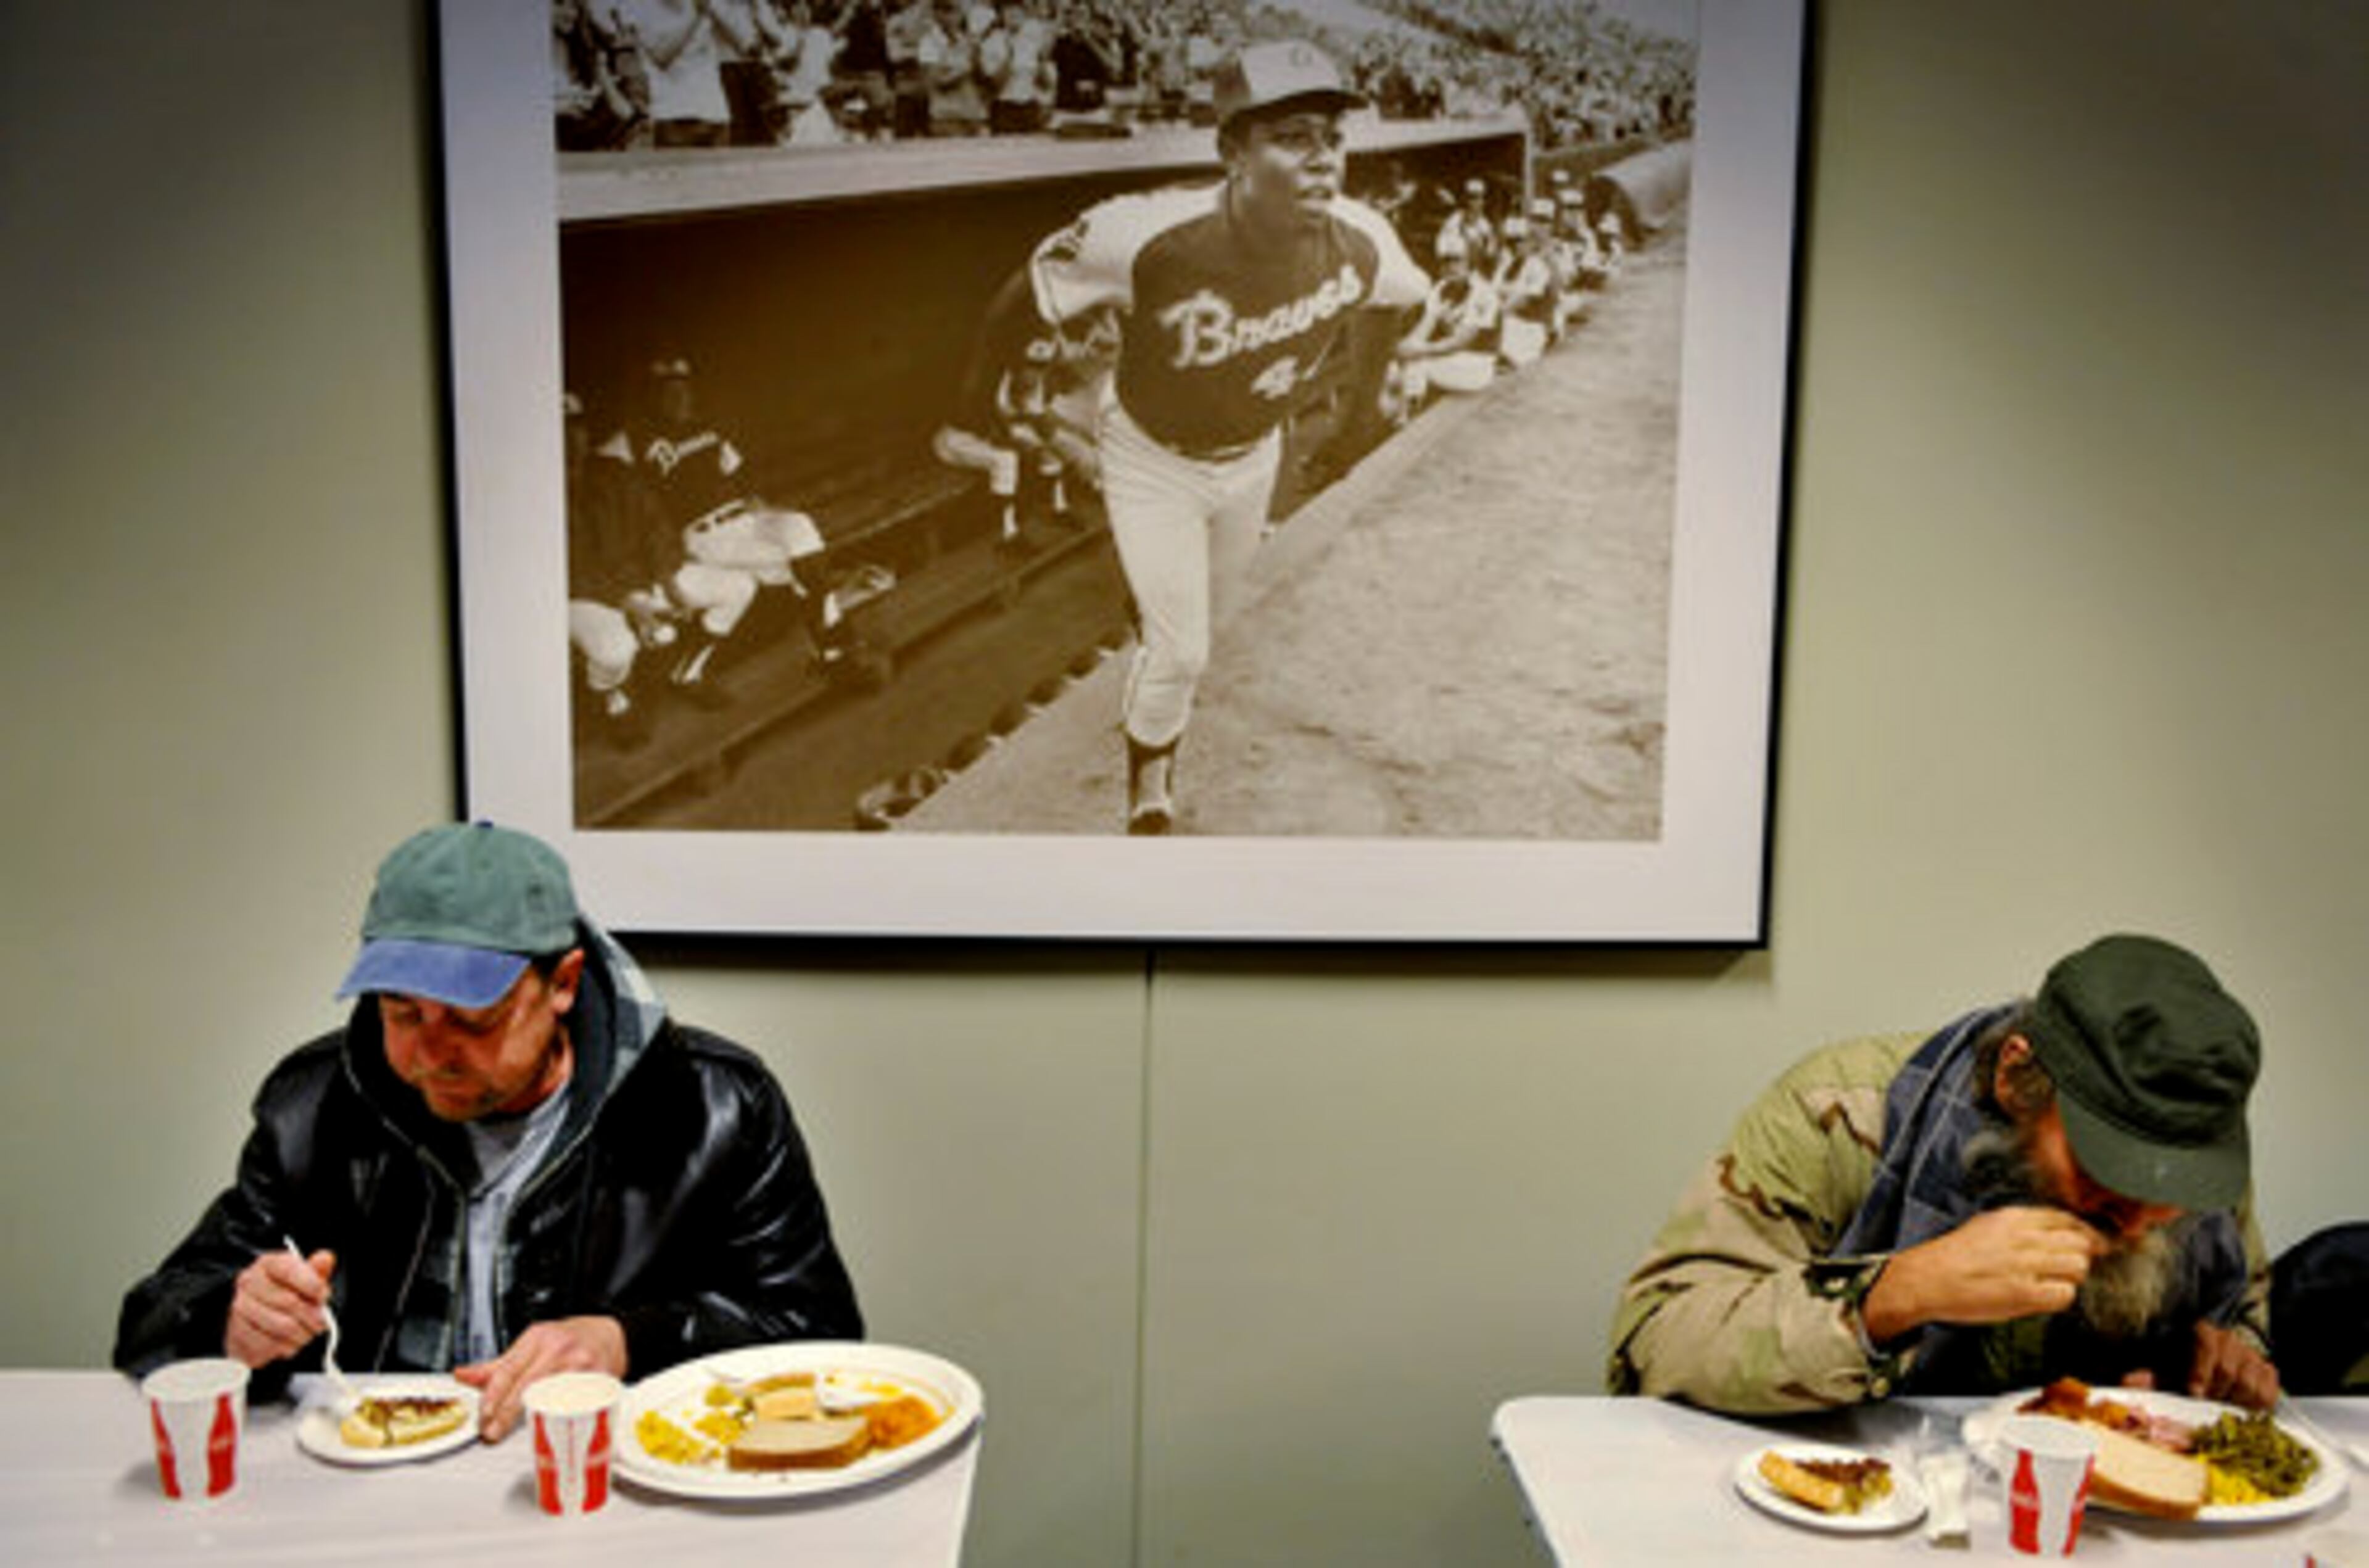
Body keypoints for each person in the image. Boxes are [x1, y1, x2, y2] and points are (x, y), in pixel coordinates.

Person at [115, 823, 863, 1442]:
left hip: (605, 1497)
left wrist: (626, 1338)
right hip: (366, 1502)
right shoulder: (314, 1105)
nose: (429, 1055)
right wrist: (229, 1325)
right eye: (402, 1013)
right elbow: (151, 1321)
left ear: (563, 983)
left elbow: (819, 1334)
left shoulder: (714, 1106)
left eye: (473, 1020)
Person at [1001, 38, 1428, 832]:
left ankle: (1155, 626)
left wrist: (1364, 408)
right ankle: (1149, 783)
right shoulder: (1144, 232)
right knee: (1183, 652)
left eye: (1333, 139)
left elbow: (1398, 300)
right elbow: (1027, 287)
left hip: (1252, 455)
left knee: (1209, 622)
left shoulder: (1361, 235)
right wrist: (980, 399)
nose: (1322, 159)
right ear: (1232, 150)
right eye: (1293, 136)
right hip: (1151, 455)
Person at [1608, 934, 2279, 1415]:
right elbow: (1657, 1342)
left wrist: (2223, 1362)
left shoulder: (2194, 1172)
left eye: (2168, 1190)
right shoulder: (1840, 1113)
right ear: (2020, 1077)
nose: (2137, 1216)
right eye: (2110, 1166)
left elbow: (2250, 1312)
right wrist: (1895, 1294)